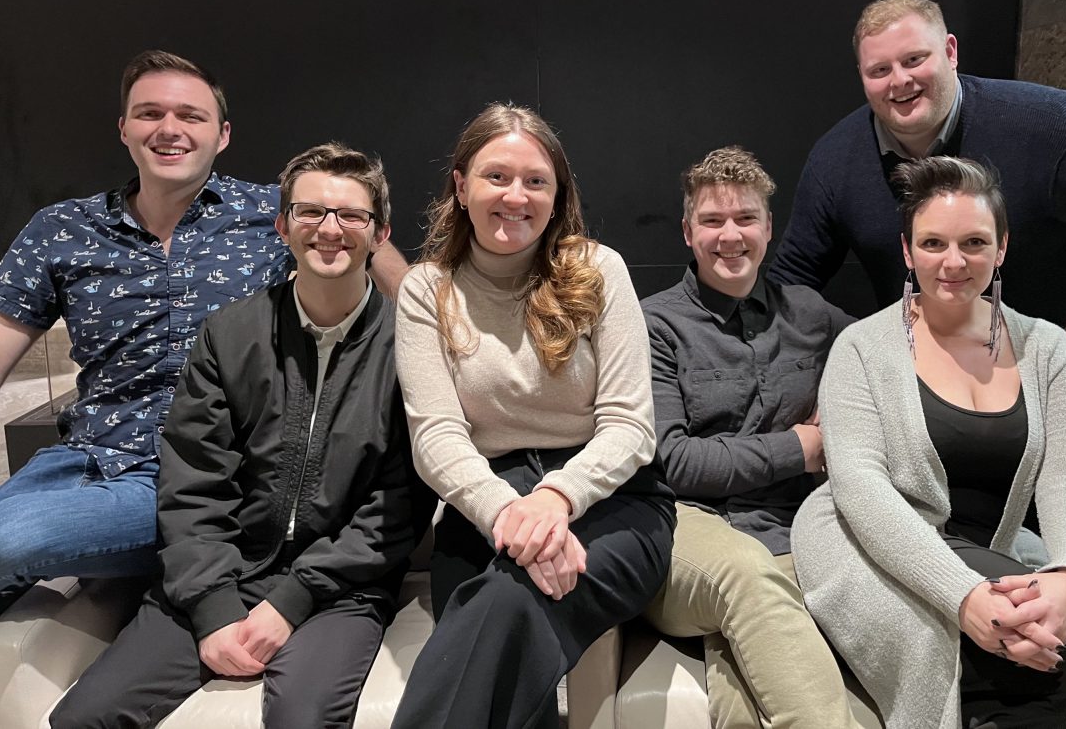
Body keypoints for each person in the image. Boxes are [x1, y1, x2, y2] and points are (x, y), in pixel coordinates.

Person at [0, 51, 410, 615]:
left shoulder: (276, 213)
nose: (170, 129)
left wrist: (430, 316)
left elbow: (375, 251)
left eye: (191, 116)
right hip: (80, 458)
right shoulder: (61, 229)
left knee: (8, 542)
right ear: (124, 128)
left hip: (199, 476)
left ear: (222, 134)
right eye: (150, 113)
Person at [50, 143, 435, 729]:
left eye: (351, 216)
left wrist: (293, 600)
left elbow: (399, 504)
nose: (329, 230)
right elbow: (192, 482)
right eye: (310, 212)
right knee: (84, 718)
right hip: (224, 569)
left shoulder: (409, 347)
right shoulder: (229, 335)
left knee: (302, 719)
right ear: (282, 225)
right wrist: (214, 608)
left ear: (379, 233)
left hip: (339, 590)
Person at [792, 157, 1066, 729]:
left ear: (1001, 249)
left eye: (973, 242)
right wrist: (965, 597)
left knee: (1062, 645)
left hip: (984, 550)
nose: (952, 262)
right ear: (906, 251)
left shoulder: (1048, 352)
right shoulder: (861, 349)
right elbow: (860, 487)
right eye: (932, 243)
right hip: (862, 545)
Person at [768, 0, 1066, 465]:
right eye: (879, 70)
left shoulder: (1055, 127)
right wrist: (803, 386)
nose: (900, 81)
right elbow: (793, 281)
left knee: (1054, 522)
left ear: (950, 51)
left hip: (1054, 366)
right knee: (939, 519)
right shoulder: (836, 161)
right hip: (927, 376)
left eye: (914, 59)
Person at [389, 103, 675, 729]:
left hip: (613, 502)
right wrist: (508, 513)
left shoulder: (601, 271)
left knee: (504, 603)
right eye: (496, 176)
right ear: (461, 187)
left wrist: (554, 502)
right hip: (483, 507)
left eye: (536, 181)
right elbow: (435, 436)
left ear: (557, 195)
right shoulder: (426, 289)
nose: (515, 195)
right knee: (501, 626)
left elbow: (630, 425)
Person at [640, 146, 871, 729]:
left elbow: (886, 356)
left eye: (745, 219)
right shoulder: (653, 325)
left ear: (769, 229)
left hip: (794, 533)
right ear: (688, 233)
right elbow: (674, 461)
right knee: (745, 571)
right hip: (683, 530)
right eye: (713, 221)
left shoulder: (811, 315)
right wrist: (801, 447)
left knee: (747, 682)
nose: (730, 236)